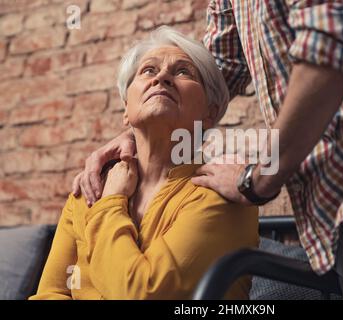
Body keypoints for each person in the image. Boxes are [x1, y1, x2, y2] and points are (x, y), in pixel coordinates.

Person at [73, 1, 343, 299]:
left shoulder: (206, 197)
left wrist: (260, 178)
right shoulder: (96, 186)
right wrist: (144, 130)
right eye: (147, 71)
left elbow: (332, 38)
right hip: (339, 202)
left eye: (175, 74)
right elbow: (219, 66)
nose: (161, 77)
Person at [29, 26, 258, 300]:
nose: (162, 77)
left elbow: (142, 293)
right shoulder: (89, 188)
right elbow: (50, 293)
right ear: (126, 109)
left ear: (210, 113)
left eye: (183, 72)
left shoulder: (222, 192)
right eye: (148, 70)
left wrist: (112, 201)